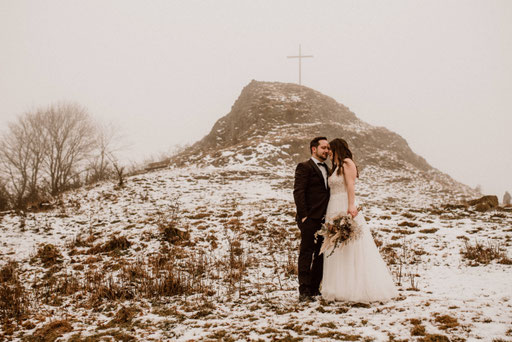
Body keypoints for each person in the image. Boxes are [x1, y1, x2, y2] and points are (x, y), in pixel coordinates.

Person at [320, 138, 397, 302]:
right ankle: (338, 287)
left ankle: (354, 287)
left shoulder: (347, 163)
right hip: (332, 206)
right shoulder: (336, 167)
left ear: (337, 149)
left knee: (350, 246)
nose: (329, 153)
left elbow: (350, 185)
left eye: (331, 150)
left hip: (343, 205)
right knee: (336, 246)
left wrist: (351, 206)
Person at [293, 136, 330, 301]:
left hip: (325, 220)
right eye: (324, 148)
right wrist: (304, 216)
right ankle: (304, 290)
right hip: (309, 219)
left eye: (328, 148)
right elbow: (298, 192)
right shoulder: (304, 167)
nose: (327, 151)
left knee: (321, 254)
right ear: (314, 149)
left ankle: (315, 288)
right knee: (307, 252)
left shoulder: (328, 169)